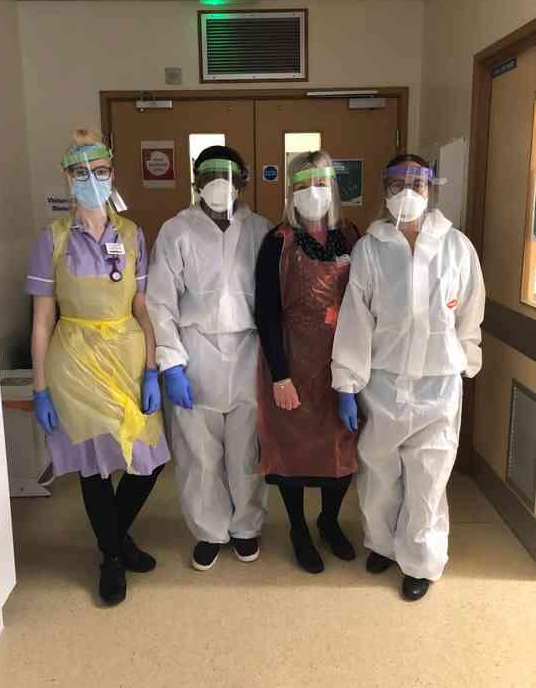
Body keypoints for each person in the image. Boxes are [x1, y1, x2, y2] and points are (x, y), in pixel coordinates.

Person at [332, 153, 485, 601]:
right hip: (383, 382)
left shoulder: (457, 246)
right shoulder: (370, 248)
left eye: (416, 185)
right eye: (397, 185)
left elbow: (471, 310)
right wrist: (347, 382)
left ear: (430, 189)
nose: (407, 193)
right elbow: (356, 319)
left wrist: (465, 359)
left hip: (438, 383)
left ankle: (419, 560)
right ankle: (381, 543)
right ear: (384, 190)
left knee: (429, 476)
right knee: (379, 473)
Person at [26, 129, 168, 606]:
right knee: (94, 468)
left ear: (113, 174)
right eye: (81, 172)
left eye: (101, 171)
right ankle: (113, 556)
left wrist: (152, 368)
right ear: (67, 178)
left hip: (127, 355)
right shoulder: (52, 239)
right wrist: (40, 388)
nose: (92, 179)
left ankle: (114, 538)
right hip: (75, 361)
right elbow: (43, 322)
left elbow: (144, 307)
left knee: (146, 463)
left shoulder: (132, 235)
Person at [146, 145, 270, 571]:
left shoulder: (259, 229)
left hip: (249, 350)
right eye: (211, 175)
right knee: (199, 453)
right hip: (195, 349)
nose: (221, 185)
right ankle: (208, 530)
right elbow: (160, 302)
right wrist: (171, 363)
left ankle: (246, 526)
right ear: (196, 181)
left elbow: (273, 301)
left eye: (230, 175)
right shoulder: (176, 231)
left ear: (243, 181)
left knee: (245, 450)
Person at [255, 150, 361, 574]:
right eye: (302, 185)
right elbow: (265, 313)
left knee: (340, 451)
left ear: (332, 188)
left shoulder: (352, 237)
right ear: (290, 193)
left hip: (344, 363)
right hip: (293, 362)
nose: (312, 193)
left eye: (319, 183)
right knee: (293, 454)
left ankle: (329, 520)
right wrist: (279, 376)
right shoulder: (277, 242)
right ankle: (299, 528)